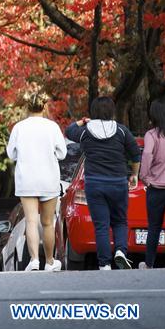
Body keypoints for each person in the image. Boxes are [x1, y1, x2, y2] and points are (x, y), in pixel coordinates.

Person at [66, 95, 141, 270]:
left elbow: (69, 131)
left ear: (93, 112)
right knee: (120, 221)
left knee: (101, 225)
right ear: (112, 111)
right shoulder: (121, 130)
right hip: (118, 182)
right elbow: (135, 154)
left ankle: (104, 264)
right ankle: (120, 251)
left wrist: (82, 121)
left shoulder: (85, 131)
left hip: (94, 184)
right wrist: (134, 174)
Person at [6, 89, 67, 272]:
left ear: (27, 107)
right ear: (44, 106)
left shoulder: (19, 127)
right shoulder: (52, 127)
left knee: (31, 221)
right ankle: (49, 261)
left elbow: (11, 154)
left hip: (27, 179)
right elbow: (62, 153)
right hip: (48, 179)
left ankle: (33, 260)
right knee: (47, 223)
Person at [139, 97, 165, 269]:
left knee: (154, 228)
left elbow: (147, 155)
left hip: (156, 189)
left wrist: (145, 177)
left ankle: (149, 264)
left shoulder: (152, 135)